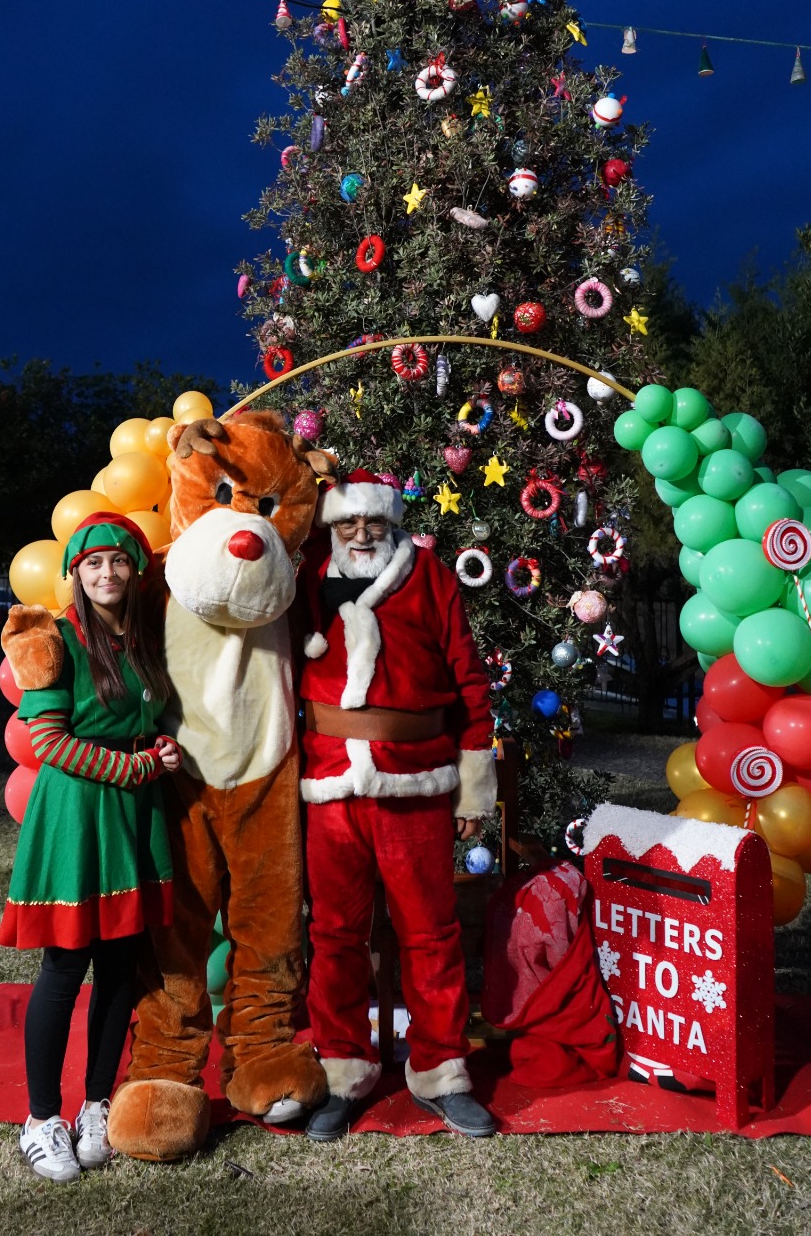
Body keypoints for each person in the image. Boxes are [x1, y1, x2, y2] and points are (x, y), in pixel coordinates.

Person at [298, 468, 499, 1141]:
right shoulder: (303, 580)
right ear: (330, 525)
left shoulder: (430, 577)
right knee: (334, 936)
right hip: (330, 782)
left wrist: (475, 782)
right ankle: (342, 1071)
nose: (360, 534)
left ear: (392, 522)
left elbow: (469, 678)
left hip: (415, 780)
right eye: (348, 523)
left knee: (431, 932)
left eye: (373, 522)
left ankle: (442, 1071)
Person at [0, 513, 181, 1185]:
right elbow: (45, 740)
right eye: (93, 562)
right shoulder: (53, 638)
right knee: (65, 966)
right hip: (78, 812)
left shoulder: (141, 637)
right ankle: (41, 1119)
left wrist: (160, 747)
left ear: (135, 570)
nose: (107, 573)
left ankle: (96, 1105)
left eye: (120, 561)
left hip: (134, 812)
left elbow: (145, 718)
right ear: (74, 572)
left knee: (119, 966)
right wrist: (133, 769)